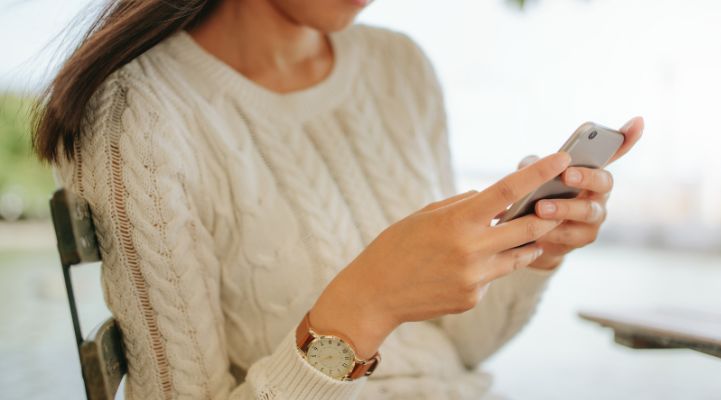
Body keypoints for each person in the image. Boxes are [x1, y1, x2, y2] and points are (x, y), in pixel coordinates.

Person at [32, 0, 643, 398]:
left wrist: (534, 250)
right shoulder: (139, 113)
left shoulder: (400, 68)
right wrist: (366, 304)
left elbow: (456, 348)